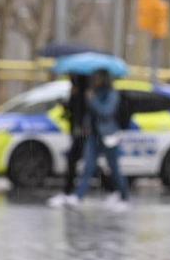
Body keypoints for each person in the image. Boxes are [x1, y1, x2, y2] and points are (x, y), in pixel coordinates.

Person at [62, 68, 130, 210]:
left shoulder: (111, 94)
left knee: (114, 169)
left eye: (98, 78)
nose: (95, 81)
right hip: (93, 136)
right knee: (88, 167)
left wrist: (92, 101)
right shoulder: (93, 92)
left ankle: (124, 197)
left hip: (108, 136)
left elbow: (106, 112)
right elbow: (90, 114)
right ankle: (78, 196)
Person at [47, 73, 91, 207]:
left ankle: (70, 193)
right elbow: (72, 109)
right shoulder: (76, 91)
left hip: (83, 132)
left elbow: (84, 111)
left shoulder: (85, 92)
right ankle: (72, 193)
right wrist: (65, 104)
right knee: (87, 163)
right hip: (78, 131)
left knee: (77, 162)